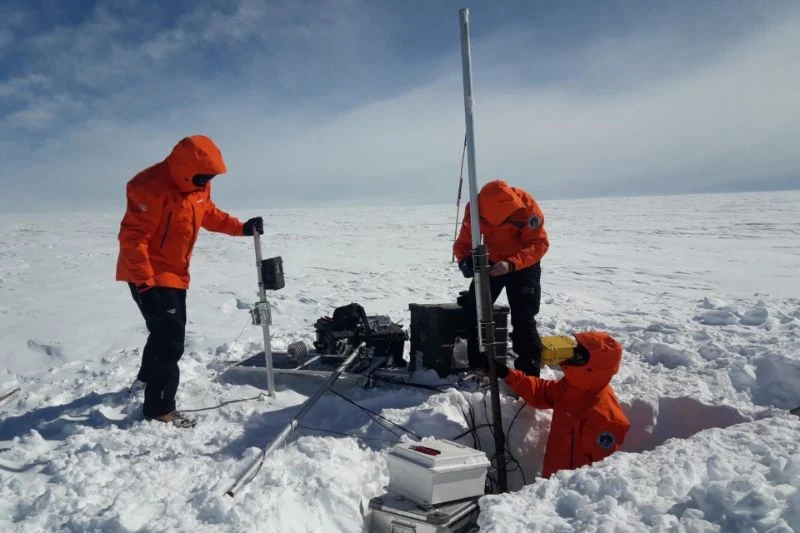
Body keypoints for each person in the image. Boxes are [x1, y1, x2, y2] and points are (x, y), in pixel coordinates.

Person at [115, 134, 264, 428]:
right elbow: (133, 238)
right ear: (184, 169)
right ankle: (159, 408)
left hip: (175, 274)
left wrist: (241, 228)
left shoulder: (197, 188)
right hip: (147, 273)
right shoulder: (149, 187)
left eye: (210, 177)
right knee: (169, 339)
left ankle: (147, 378)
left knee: (163, 331)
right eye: (203, 175)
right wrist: (145, 281)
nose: (206, 181)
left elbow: (209, 214)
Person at [496, 331, 631, 478]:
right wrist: (507, 374)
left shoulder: (605, 418)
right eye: (575, 349)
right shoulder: (574, 386)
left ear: (592, 366)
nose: (571, 355)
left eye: (579, 354)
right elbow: (542, 392)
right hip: (550, 485)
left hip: (571, 493)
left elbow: (601, 476)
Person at [453, 179, 549, 376]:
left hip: (523, 264)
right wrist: (465, 261)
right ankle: (479, 365)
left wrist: (511, 264)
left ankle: (529, 375)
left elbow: (539, 243)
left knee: (524, 319)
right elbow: (463, 242)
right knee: (475, 310)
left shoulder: (527, 207)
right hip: (491, 263)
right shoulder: (475, 208)